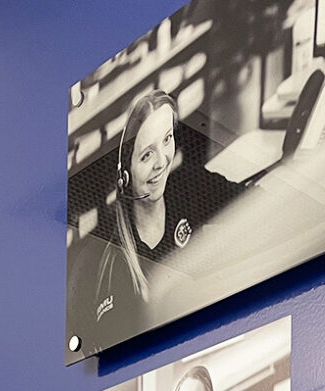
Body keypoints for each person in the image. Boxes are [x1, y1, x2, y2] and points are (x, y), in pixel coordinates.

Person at [67, 89, 244, 354]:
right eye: (146, 155)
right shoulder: (108, 263)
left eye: (167, 139)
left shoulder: (187, 186)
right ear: (125, 174)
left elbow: (249, 201)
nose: (162, 162)